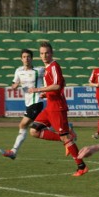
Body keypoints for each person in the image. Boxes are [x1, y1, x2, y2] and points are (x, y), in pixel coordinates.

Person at [28, 41, 87, 177]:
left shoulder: (54, 66)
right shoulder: (48, 68)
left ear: (51, 53)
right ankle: (67, 138)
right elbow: (61, 83)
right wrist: (45, 93)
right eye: (42, 53)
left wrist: (38, 89)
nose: (44, 55)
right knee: (34, 131)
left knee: (65, 137)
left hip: (57, 107)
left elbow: (57, 86)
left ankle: (81, 166)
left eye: (47, 53)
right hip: (50, 106)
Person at [0, 49, 45, 160]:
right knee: (38, 127)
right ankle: (65, 128)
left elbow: (51, 76)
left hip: (37, 102)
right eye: (24, 57)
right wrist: (15, 85)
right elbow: (14, 84)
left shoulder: (38, 70)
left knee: (23, 125)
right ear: (21, 59)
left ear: (32, 58)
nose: (26, 59)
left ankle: (13, 151)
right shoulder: (18, 71)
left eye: (28, 56)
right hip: (28, 103)